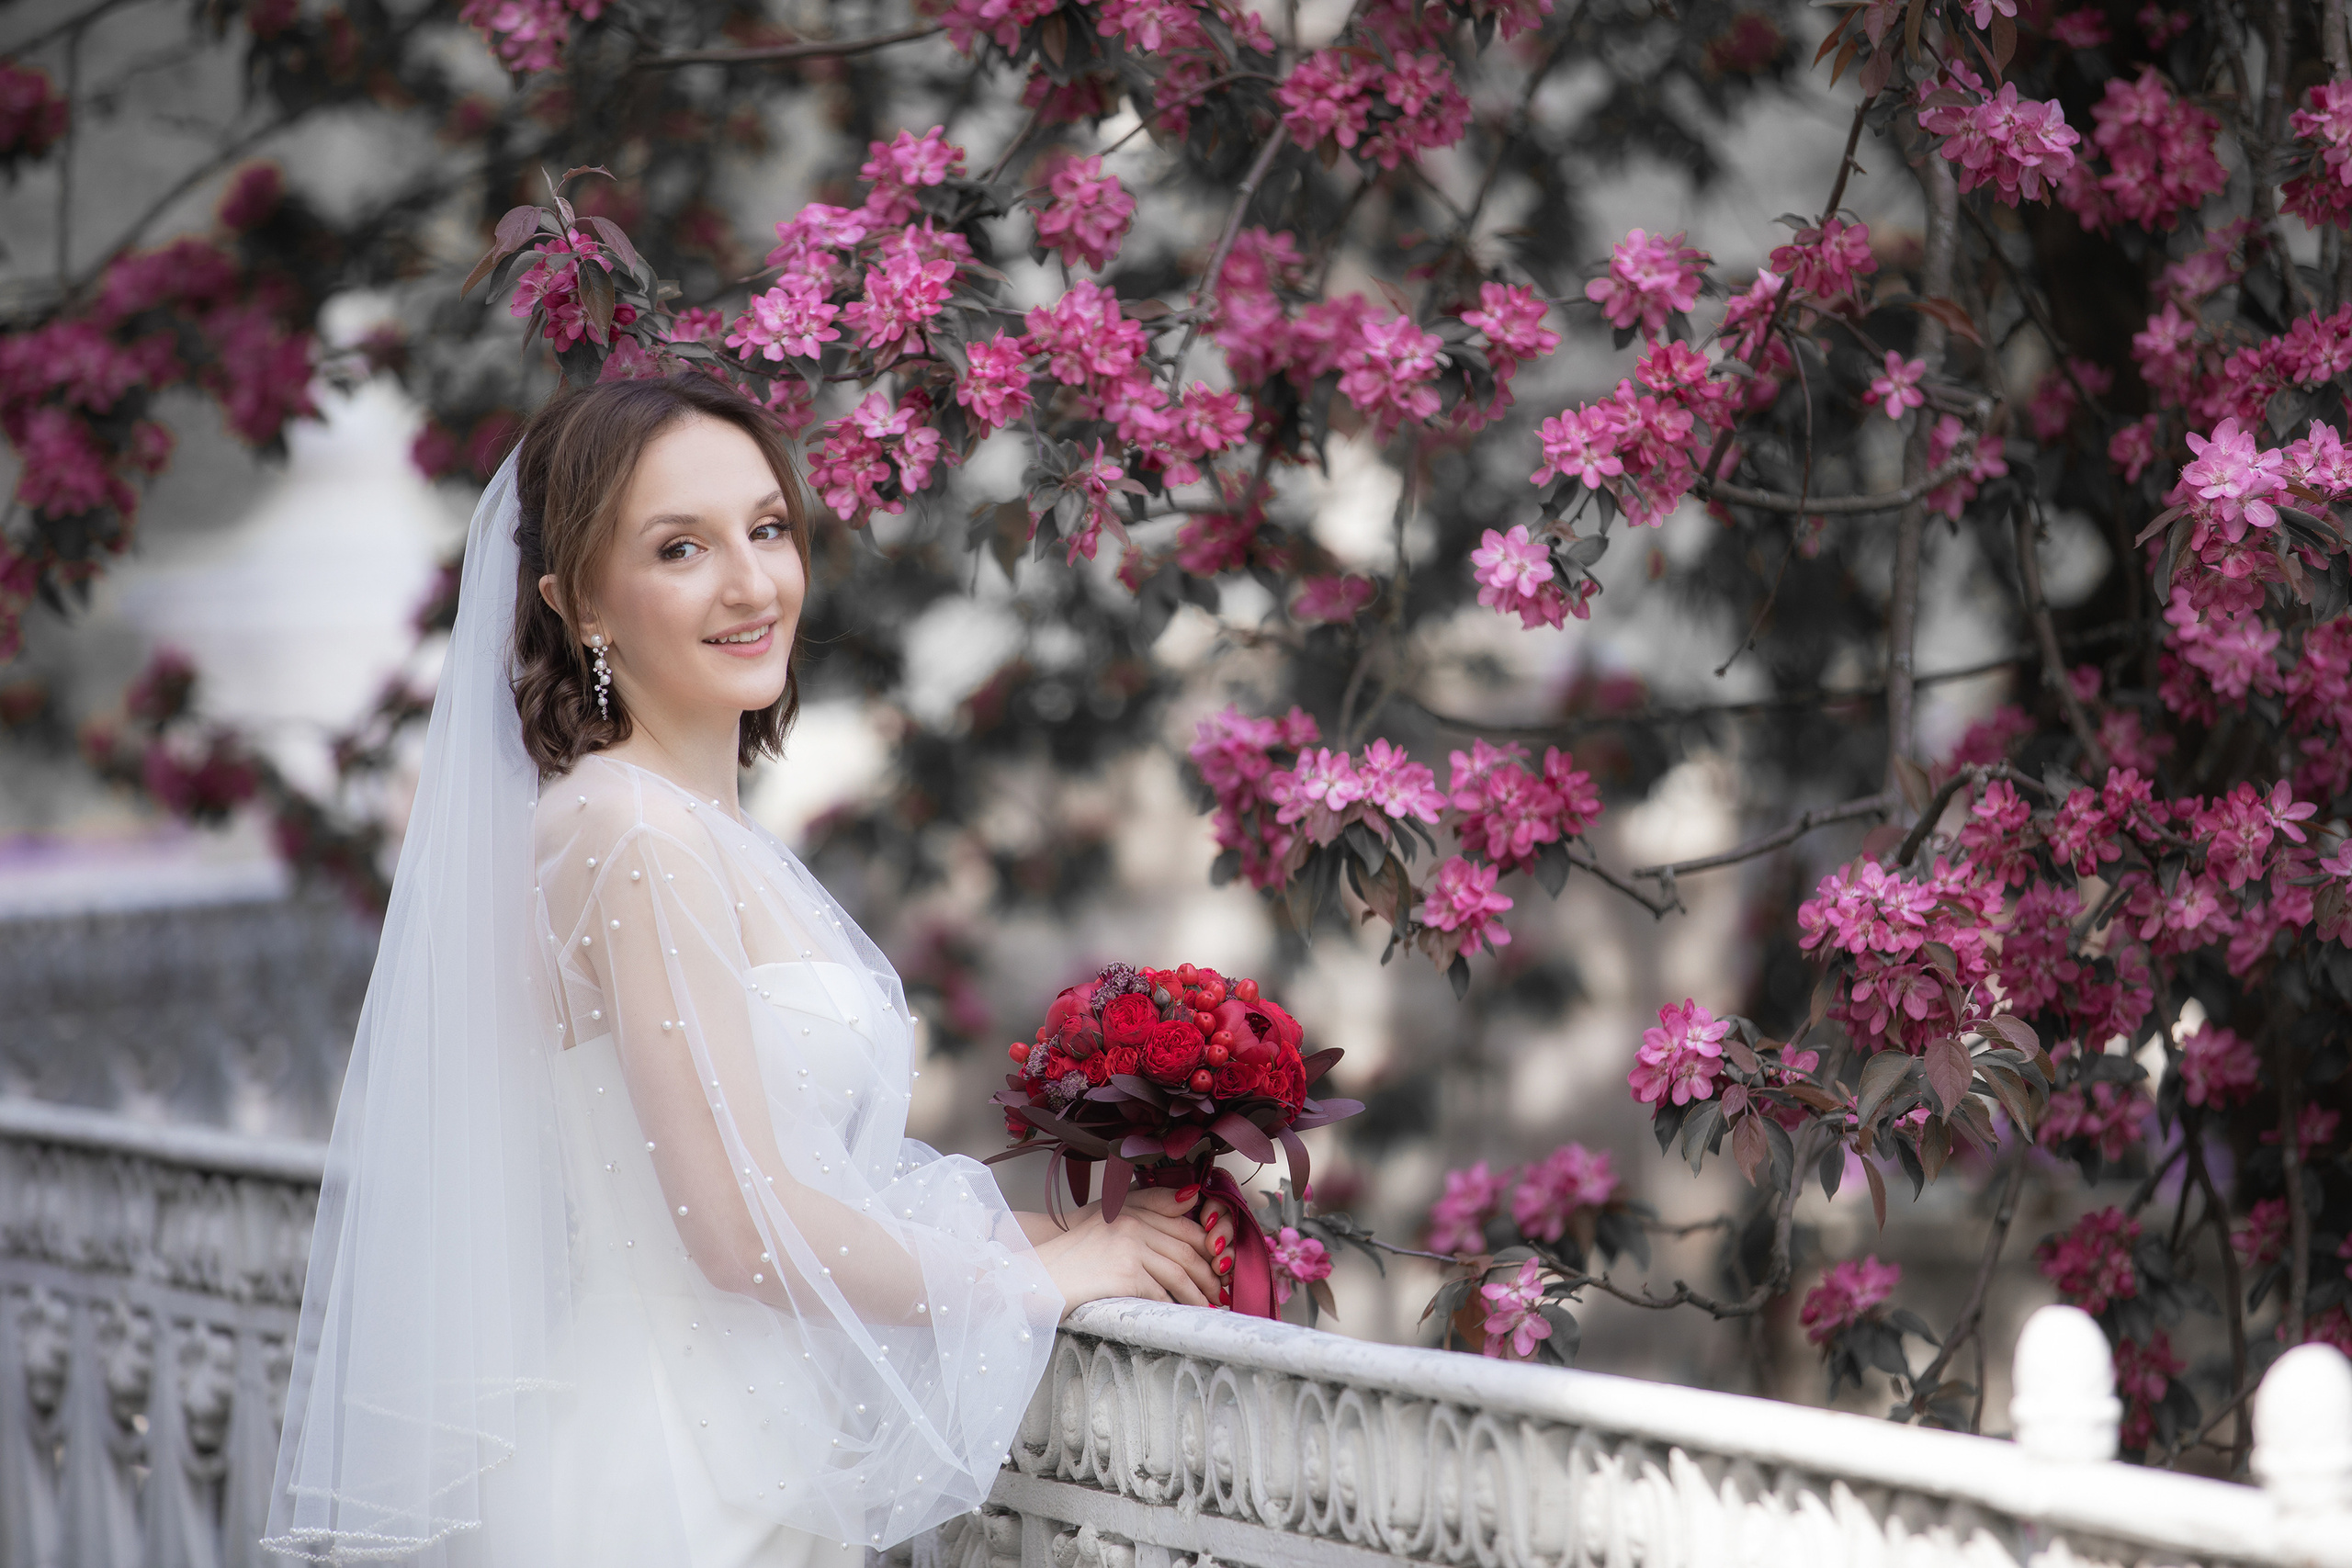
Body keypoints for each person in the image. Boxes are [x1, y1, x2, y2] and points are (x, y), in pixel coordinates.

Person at [262, 374, 1227, 1568]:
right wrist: (1049, 1280)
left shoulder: (670, 827)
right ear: (581, 607)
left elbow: (792, 1171)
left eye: (767, 528)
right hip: (667, 1491)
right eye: (681, 547)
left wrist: (1032, 1239)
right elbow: (734, 1228)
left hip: (729, 1460)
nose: (750, 582)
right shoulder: (630, 836)